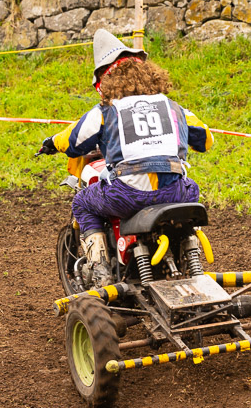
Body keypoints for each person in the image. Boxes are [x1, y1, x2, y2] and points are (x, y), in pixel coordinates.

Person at [38, 29, 214, 286]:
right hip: (177, 192)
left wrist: (51, 143)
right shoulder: (174, 107)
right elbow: (206, 140)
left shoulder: (106, 110)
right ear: (148, 73)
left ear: (104, 81)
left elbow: (74, 142)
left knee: (83, 202)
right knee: (191, 191)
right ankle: (191, 252)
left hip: (128, 194)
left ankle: (100, 271)